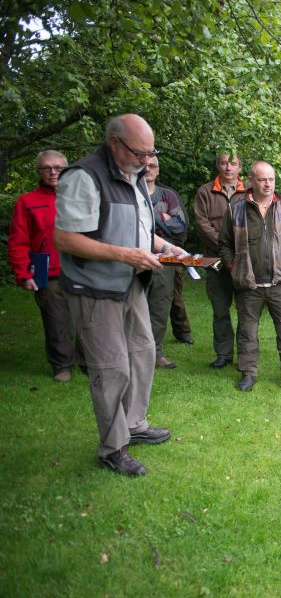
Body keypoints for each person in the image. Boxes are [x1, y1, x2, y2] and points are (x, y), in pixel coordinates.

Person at [55, 114, 187, 476]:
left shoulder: (134, 176)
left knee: (143, 354)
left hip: (131, 284)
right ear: (114, 142)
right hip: (97, 289)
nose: (147, 160)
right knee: (111, 367)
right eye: (140, 152)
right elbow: (66, 239)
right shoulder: (85, 176)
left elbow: (140, 230)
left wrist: (167, 246)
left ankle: (134, 424)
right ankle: (113, 447)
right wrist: (124, 255)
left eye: (151, 153)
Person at [219, 161, 281, 393]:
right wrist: (233, 266)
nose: (268, 184)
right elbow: (225, 243)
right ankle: (248, 373)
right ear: (251, 181)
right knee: (247, 331)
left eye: (271, 179)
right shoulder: (236, 209)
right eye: (262, 179)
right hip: (249, 284)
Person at [7, 150, 77, 382]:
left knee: (87, 320)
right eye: (47, 168)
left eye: (58, 168)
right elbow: (18, 241)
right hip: (50, 272)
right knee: (56, 321)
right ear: (39, 171)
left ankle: (89, 361)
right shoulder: (27, 202)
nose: (53, 172)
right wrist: (24, 273)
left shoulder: (80, 197)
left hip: (82, 270)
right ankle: (62, 366)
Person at [194, 153, 245, 369]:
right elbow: (202, 224)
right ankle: (223, 354)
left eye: (233, 163)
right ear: (217, 165)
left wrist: (238, 250)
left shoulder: (249, 191)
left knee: (246, 311)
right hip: (215, 262)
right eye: (224, 163)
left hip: (243, 263)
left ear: (240, 167)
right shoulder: (205, 192)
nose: (228, 167)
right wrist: (226, 247)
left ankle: (245, 355)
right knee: (220, 310)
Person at [144, 156, 189, 369]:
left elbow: (180, 225)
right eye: (144, 165)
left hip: (166, 259)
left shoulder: (168, 195)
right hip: (136, 256)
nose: (147, 169)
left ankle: (156, 353)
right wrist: (163, 218)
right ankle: (129, 351)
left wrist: (150, 218)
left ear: (158, 171)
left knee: (160, 305)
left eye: (152, 165)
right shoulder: (129, 192)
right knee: (132, 305)